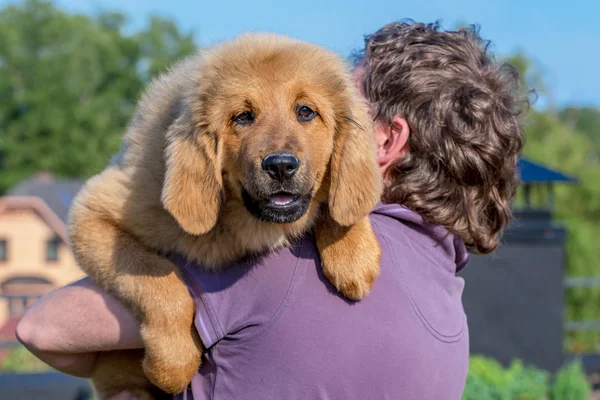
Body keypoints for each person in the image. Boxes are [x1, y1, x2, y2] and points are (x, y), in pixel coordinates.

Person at [16, 21, 525, 400]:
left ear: (385, 139)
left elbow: (45, 329)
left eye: (315, 111)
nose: (288, 143)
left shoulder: (282, 264)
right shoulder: (447, 299)